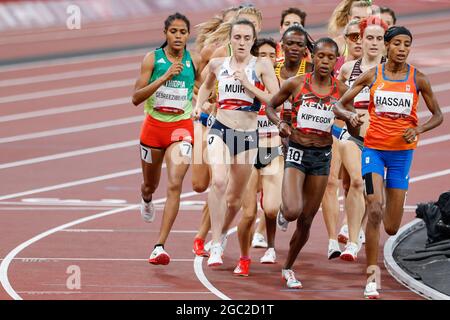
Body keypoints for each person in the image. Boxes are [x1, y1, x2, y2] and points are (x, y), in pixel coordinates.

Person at [333, 26, 443, 299]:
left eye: (407, 43)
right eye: (397, 43)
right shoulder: (374, 75)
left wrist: (418, 130)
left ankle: (379, 230)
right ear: (387, 47)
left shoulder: (419, 79)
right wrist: (350, 117)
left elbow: (438, 115)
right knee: (374, 209)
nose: (403, 48)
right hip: (374, 151)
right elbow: (338, 105)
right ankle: (372, 276)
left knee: (391, 225)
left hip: (401, 154)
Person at [265, 38, 351, 288]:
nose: (325, 62)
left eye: (330, 58)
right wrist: (280, 123)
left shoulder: (342, 90)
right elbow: (271, 106)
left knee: (306, 220)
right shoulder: (296, 84)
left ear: (336, 61)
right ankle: (283, 210)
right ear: (312, 57)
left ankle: (288, 267)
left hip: (322, 157)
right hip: (296, 151)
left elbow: (354, 116)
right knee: (292, 211)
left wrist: (351, 120)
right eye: (320, 56)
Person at [194, 19, 279, 267]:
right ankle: (216, 246)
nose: (241, 42)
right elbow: (204, 87)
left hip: (247, 136)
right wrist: (200, 105)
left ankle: (219, 238)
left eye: (246, 38)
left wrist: (248, 84)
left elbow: (274, 99)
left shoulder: (261, 65)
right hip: (220, 129)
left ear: (253, 41)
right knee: (218, 181)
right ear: (230, 39)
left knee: (234, 199)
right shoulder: (217, 64)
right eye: (237, 37)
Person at [132, 13, 201, 265]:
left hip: (181, 129)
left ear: (188, 35)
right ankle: (147, 197)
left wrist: (205, 103)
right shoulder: (152, 59)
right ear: (165, 34)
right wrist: (164, 78)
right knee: (151, 184)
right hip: (152, 130)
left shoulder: (195, 59)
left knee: (174, 184)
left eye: (183, 32)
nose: (178, 36)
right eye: (174, 31)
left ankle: (159, 246)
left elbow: (204, 87)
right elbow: (136, 97)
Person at [334, 16, 388, 261]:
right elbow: (338, 101)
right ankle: (352, 243)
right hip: (354, 138)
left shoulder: (393, 71)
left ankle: (361, 232)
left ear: (385, 43)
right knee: (356, 182)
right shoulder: (349, 69)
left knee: (372, 194)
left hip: (382, 142)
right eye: (369, 38)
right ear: (361, 40)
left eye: (379, 39)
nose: (374, 43)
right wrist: (347, 116)